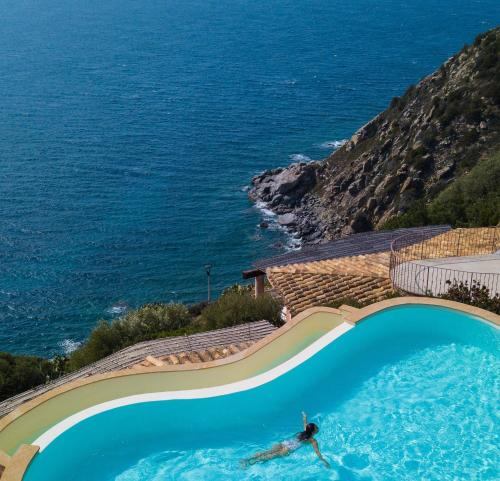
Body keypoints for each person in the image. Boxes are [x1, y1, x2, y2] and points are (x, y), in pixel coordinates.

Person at [241, 412, 330, 468]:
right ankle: (249, 463)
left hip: (284, 443)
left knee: (267, 451)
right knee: (269, 457)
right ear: (314, 431)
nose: (318, 428)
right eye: (316, 428)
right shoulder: (312, 440)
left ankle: (246, 459)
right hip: (288, 449)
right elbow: (318, 453)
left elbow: (305, 422)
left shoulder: (304, 430)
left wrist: (304, 416)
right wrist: (324, 461)